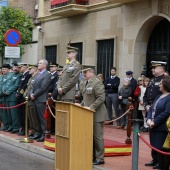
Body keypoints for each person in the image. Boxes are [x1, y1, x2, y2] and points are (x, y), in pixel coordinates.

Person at [79, 65, 107, 165]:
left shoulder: (97, 82)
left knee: (97, 137)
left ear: (91, 72)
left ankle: (100, 158)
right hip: (89, 114)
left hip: (97, 114)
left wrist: (91, 107)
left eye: (85, 72)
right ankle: (92, 156)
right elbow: (87, 97)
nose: (83, 74)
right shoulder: (87, 82)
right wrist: (81, 104)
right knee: (90, 136)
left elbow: (101, 98)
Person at [144, 61, 166, 169]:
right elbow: (146, 95)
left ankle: (159, 160)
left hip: (160, 108)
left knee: (159, 138)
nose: (153, 69)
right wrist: (146, 106)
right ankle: (154, 158)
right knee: (152, 136)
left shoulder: (165, 80)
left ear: (161, 69)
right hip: (150, 108)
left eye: (155, 68)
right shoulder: (152, 80)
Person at [147, 76, 170, 170]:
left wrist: (155, 122)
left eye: (160, 83)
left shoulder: (169, 97)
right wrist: (148, 119)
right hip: (153, 127)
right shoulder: (158, 96)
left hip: (161, 129)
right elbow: (151, 109)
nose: (159, 85)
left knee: (163, 151)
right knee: (156, 149)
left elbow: (167, 112)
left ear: (166, 85)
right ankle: (158, 164)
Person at [30, 59, 51, 142]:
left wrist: (34, 95)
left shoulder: (47, 74)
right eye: (38, 63)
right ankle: (38, 133)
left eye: (40, 63)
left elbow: (43, 87)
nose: (38, 64)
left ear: (44, 65)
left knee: (42, 118)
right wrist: (31, 93)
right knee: (36, 118)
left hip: (41, 99)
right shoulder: (38, 74)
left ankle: (43, 134)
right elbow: (33, 86)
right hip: (35, 98)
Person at [3, 62, 21, 133]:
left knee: (14, 114)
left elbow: (16, 86)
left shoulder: (19, 76)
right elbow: (6, 84)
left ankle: (16, 127)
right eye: (14, 67)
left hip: (12, 96)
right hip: (7, 96)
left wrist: (7, 91)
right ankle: (10, 126)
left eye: (16, 67)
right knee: (8, 113)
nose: (15, 68)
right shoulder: (11, 75)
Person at [16, 63, 31, 136]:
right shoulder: (23, 75)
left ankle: (25, 129)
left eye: (20, 67)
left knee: (24, 114)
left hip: (23, 97)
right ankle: (22, 127)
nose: (19, 69)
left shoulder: (27, 74)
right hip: (20, 97)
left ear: (24, 67)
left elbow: (25, 86)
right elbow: (20, 85)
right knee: (20, 113)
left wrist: (20, 93)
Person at [23, 64, 38, 137]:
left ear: (35, 69)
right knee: (30, 116)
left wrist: (28, 96)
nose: (29, 70)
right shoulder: (30, 78)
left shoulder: (36, 77)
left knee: (33, 116)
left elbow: (33, 89)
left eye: (30, 69)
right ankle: (32, 130)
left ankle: (35, 131)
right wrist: (25, 95)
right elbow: (27, 88)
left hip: (32, 99)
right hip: (28, 99)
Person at [0, 64, 12, 131]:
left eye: (5, 69)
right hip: (1, 96)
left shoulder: (9, 76)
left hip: (4, 96)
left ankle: (8, 125)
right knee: (2, 112)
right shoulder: (2, 77)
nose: (3, 70)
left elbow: (7, 87)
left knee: (6, 112)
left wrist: (3, 93)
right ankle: (5, 124)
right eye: (3, 69)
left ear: (8, 70)